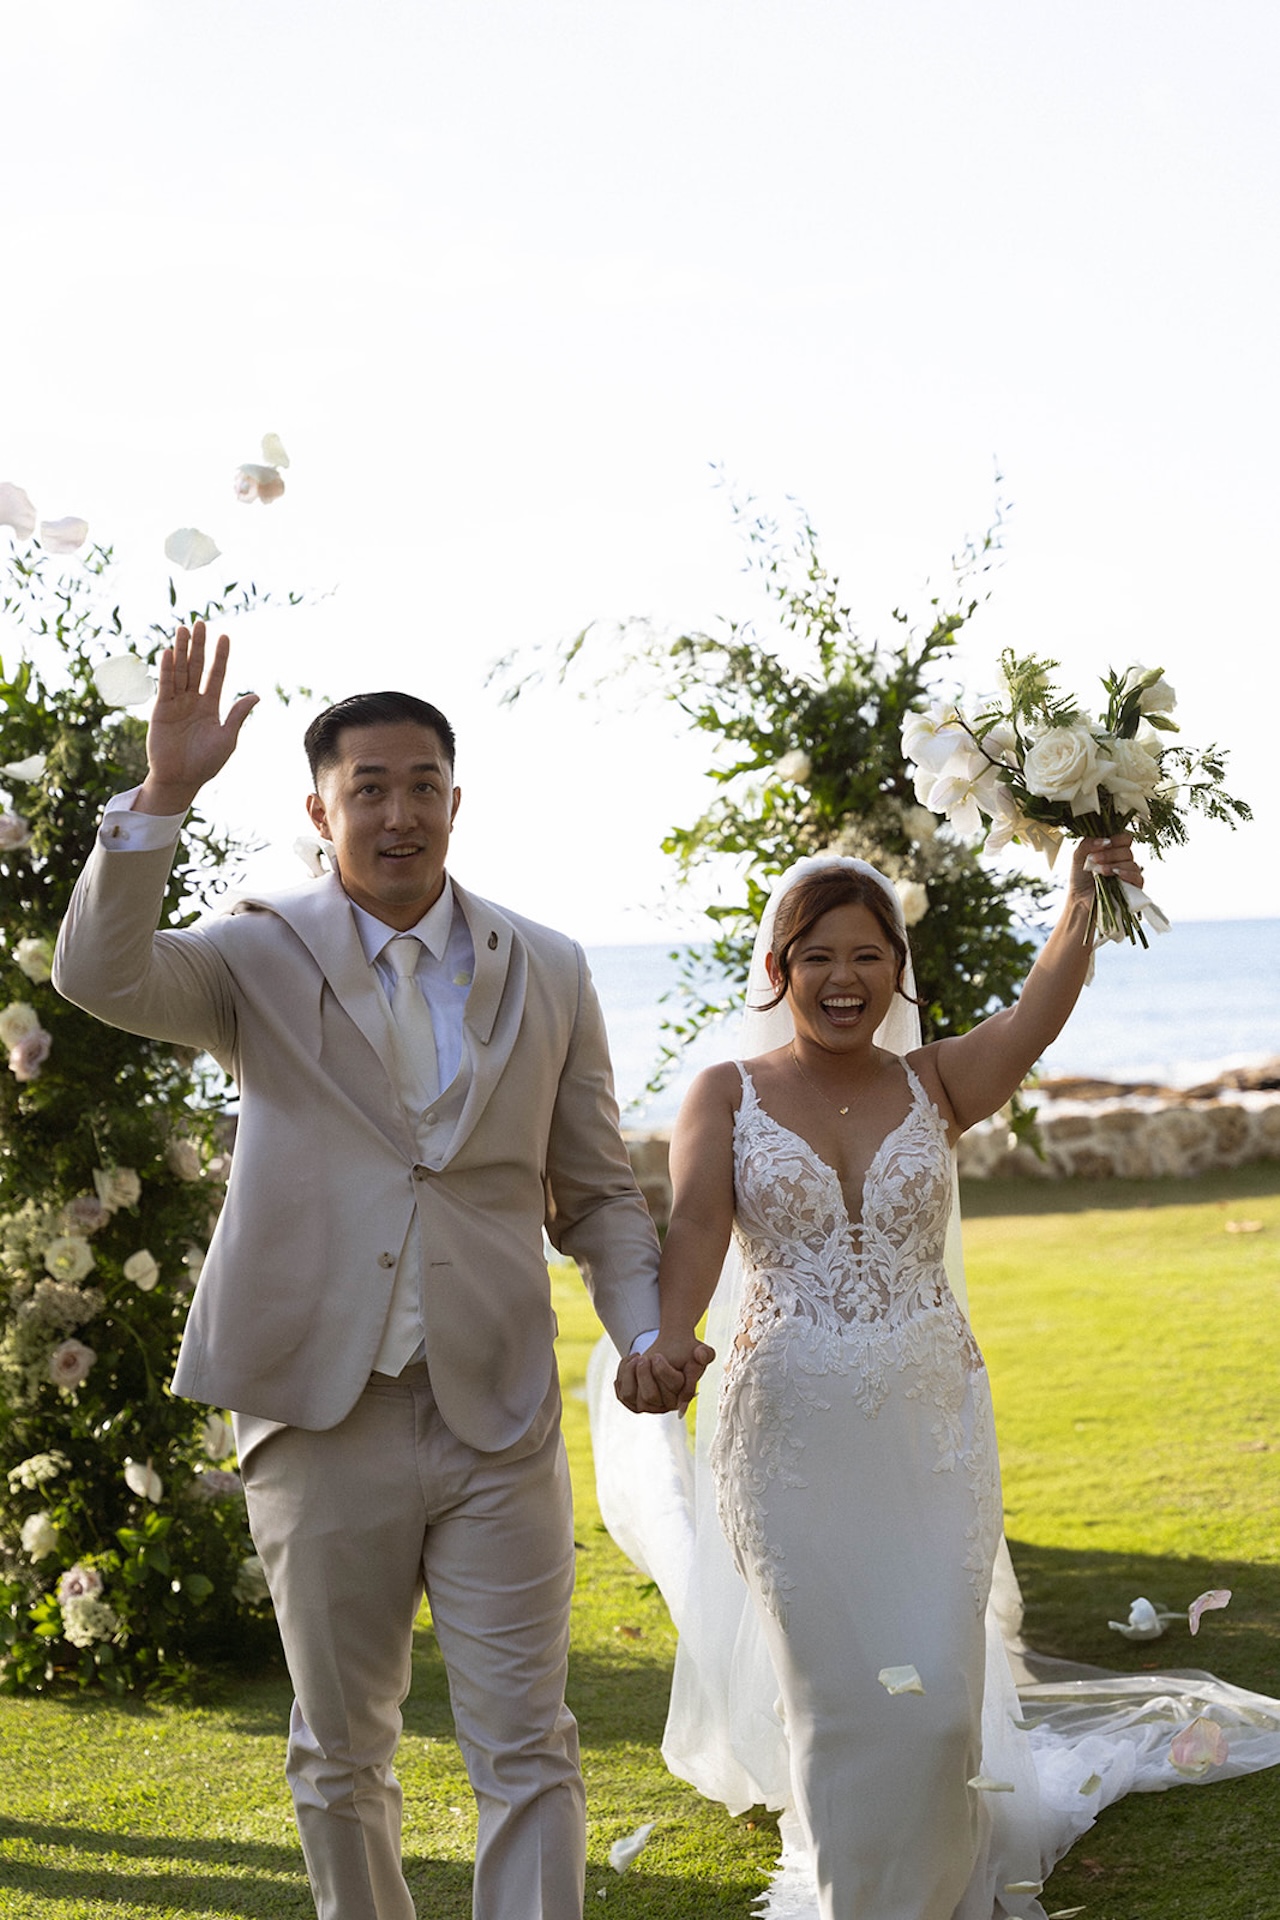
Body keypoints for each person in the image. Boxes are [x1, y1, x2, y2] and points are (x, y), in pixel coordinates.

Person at [53, 621, 703, 1920]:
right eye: (370, 790)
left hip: (496, 1415)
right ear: (319, 808)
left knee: (529, 1743)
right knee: (341, 1751)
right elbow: (98, 975)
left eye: (422, 788)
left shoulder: (553, 969)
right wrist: (162, 794)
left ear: (455, 803)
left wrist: (641, 1331)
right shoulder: (256, 956)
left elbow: (597, 1197)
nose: (399, 813)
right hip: (318, 1410)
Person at [603, 845, 1280, 1920]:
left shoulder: (936, 1082)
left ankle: (932, 1873)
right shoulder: (722, 1093)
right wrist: (666, 1341)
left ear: (896, 968)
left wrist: (1078, 893)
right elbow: (692, 1226)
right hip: (787, 1436)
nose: (842, 976)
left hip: (931, 1432)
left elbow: (1035, 1014)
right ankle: (853, 1899)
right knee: (832, 1698)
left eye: (866, 954)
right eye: (816, 953)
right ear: (776, 967)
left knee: (931, 1697)